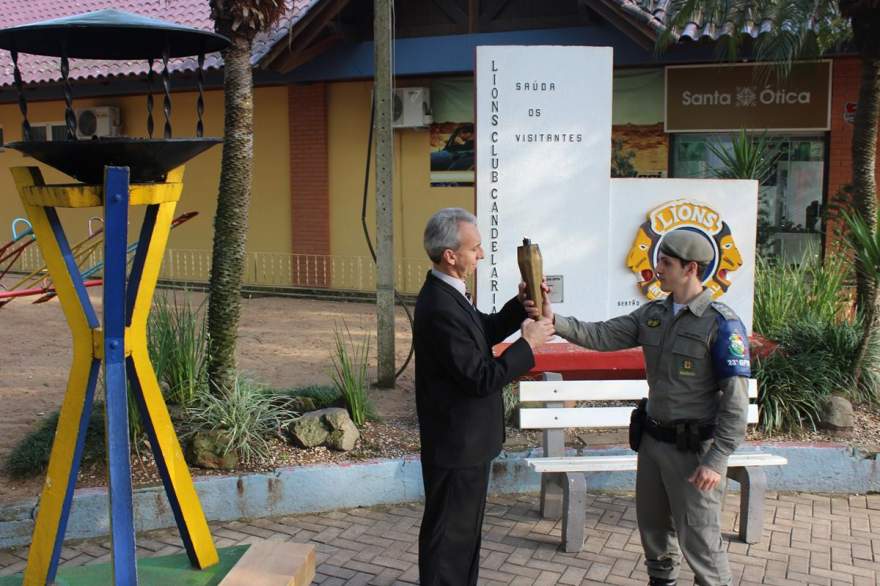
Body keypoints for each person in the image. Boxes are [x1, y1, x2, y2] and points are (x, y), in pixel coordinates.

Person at [541, 229, 750, 586]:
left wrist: (717, 459)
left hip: (693, 452)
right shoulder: (653, 313)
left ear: (691, 268)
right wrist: (554, 320)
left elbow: (735, 400)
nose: (657, 269)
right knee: (654, 532)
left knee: (700, 540)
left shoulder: (721, 323)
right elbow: (602, 334)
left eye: (666, 263)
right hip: (653, 444)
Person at [414, 207, 554, 586]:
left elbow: (483, 330)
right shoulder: (440, 306)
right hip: (457, 446)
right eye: (475, 249)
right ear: (450, 255)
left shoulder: (450, 294)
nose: (482, 255)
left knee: (462, 537)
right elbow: (479, 377)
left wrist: (518, 307)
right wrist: (527, 344)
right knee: (449, 541)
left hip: (467, 444)